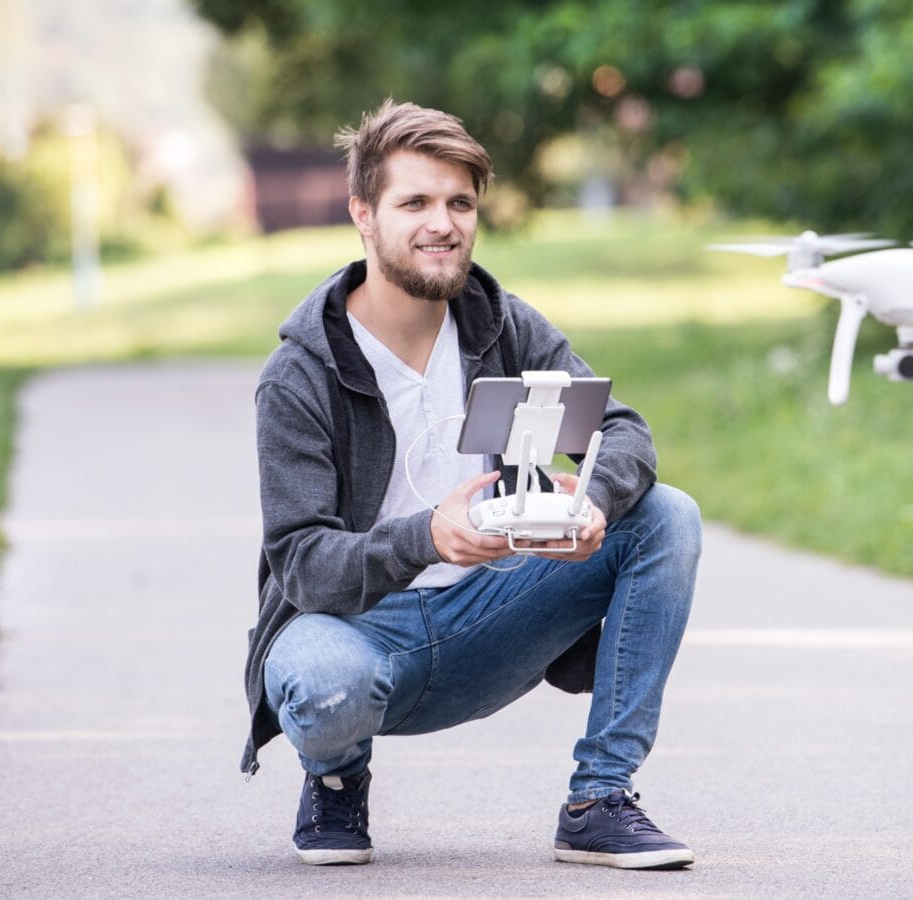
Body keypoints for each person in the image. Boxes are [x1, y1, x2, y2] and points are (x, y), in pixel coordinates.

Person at [242, 99, 701, 871]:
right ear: (364, 214)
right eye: (414, 202)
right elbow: (301, 561)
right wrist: (425, 536)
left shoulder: (503, 326)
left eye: (460, 203)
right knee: (320, 678)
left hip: (492, 614)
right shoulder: (300, 373)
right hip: (355, 632)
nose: (443, 223)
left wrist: (589, 504)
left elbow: (625, 431)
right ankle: (335, 774)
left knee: (666, 515)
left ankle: (599, 800)